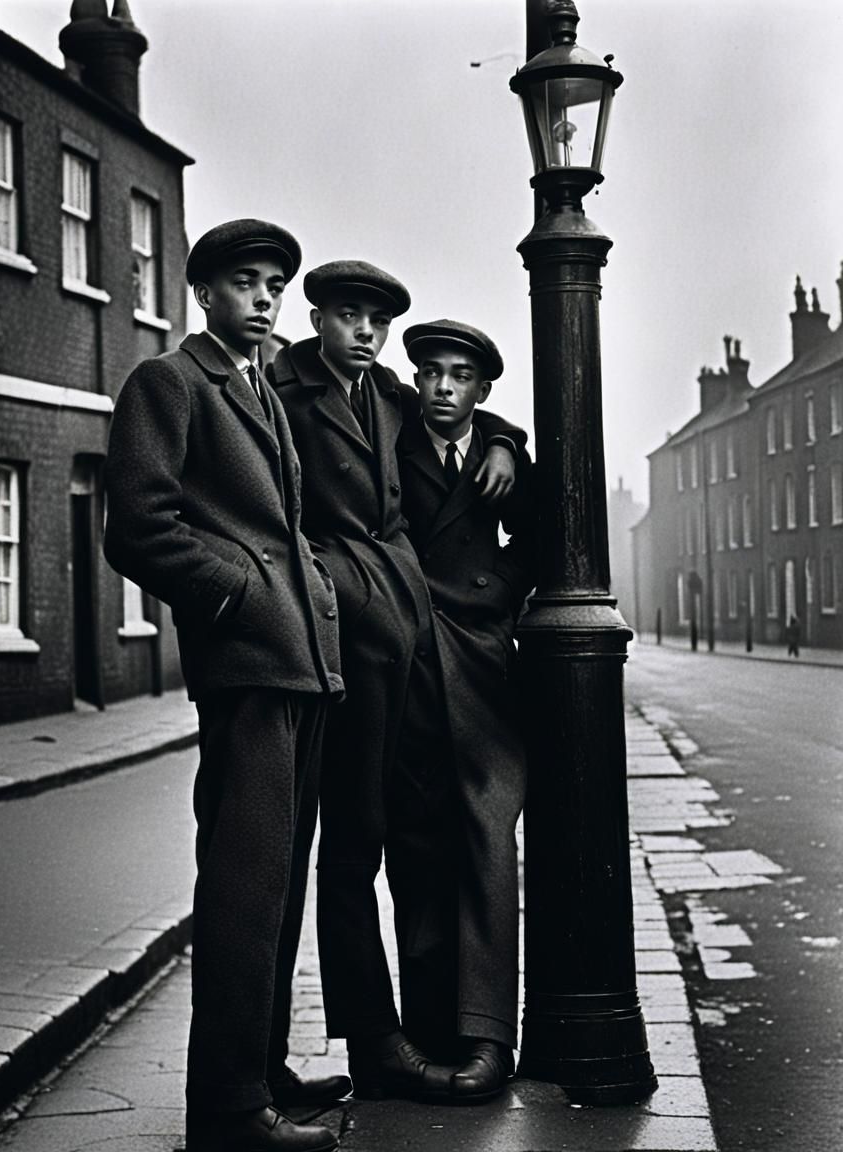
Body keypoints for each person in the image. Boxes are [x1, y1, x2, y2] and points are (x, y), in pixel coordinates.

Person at [103, 220, 348, 1152]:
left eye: (274, 284)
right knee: (244, 892)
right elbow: (139, 528)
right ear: (203, 292)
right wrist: (241, 595)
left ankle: (265, 1069)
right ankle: (228, 1112)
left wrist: (307, 594)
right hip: (248, 668)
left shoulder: (261, 390)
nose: (264, 297)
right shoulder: (169, 383)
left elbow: (286, 527)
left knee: (281, 889)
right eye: (245, 282)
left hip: (301, 669)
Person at [267, 262, 522, 1102]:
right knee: (378, 846)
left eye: (378, 319)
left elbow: (479, 428)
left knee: (473, 841)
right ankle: (394, 1039)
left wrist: (504, 445)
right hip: (368, 647)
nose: (366, 333)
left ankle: (468, 1035)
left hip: (455, 653)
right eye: (350, 315)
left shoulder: (400, 405)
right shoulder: (301, 393)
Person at [388, 319, 534, 1102]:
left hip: (478, 664)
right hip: (407, 659)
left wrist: (500, 594)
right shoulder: (392, 432)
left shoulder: (497, 452)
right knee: (416, 847)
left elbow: (546, 534)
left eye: (459, 375)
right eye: (431, 373)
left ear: (482, 388)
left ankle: (487, 1038)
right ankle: (426, 1034)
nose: (442, 387)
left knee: (485, 844)